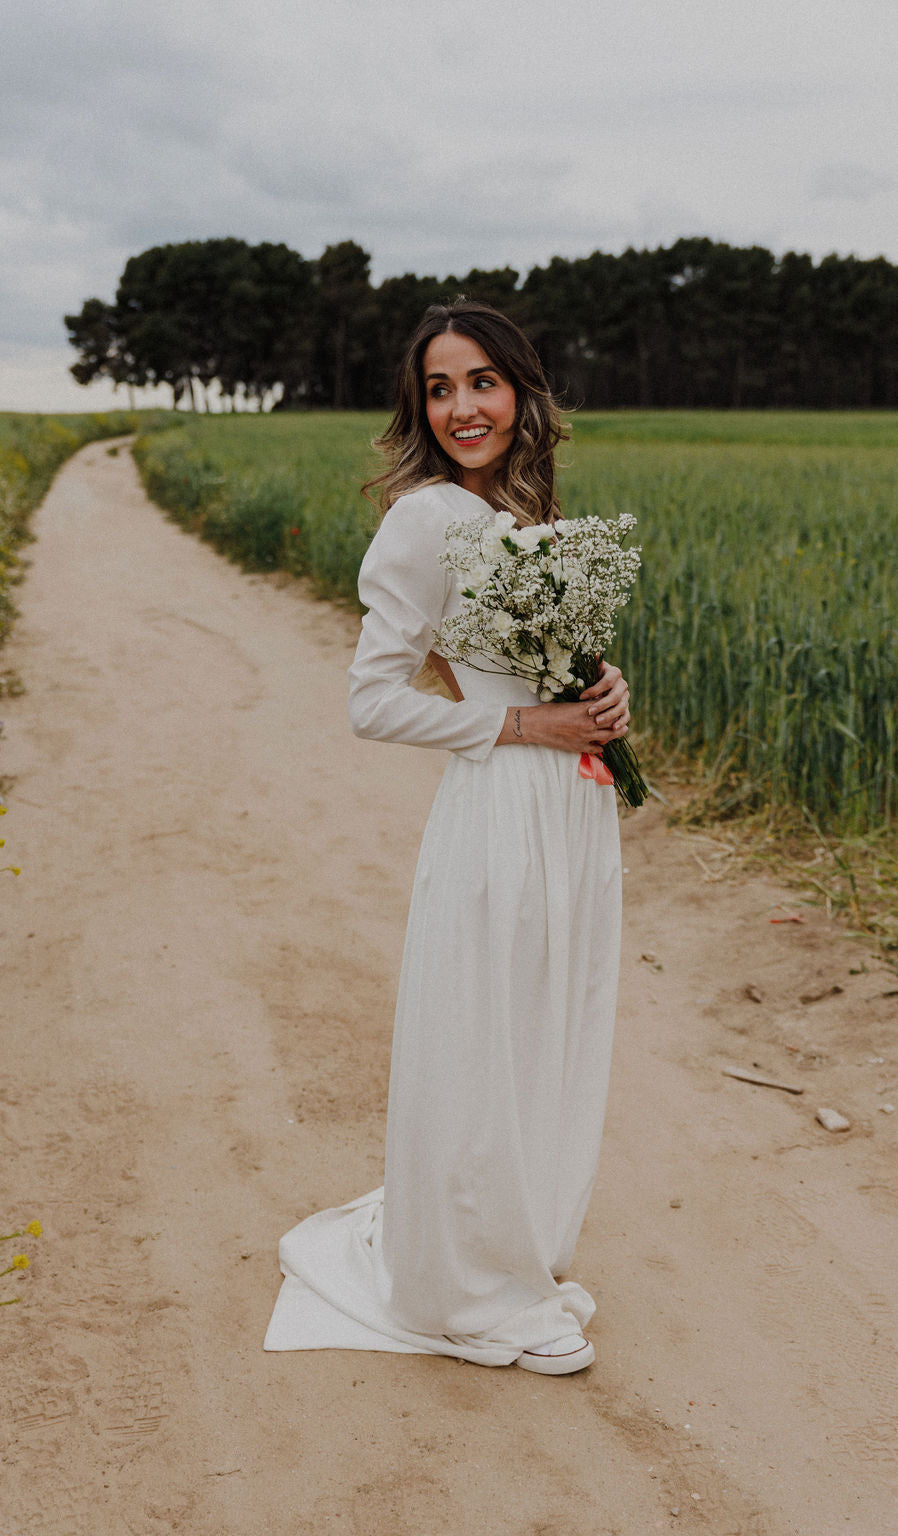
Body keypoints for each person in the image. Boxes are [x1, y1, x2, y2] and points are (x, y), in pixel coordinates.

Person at [264, 299, 630, 1375]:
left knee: (547, 1032)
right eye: (439, 388)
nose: (463, 406)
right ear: (419, 409)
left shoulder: (517, 510)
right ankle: (472, 1289)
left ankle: (514, 1246)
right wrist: (522, 722)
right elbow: (372, 700)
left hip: (568, 803)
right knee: (489, 1039)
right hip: (503, 809)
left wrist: (602, 697)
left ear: (520, 390)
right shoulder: (427, 519)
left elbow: (541, 666)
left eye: (481, 381)